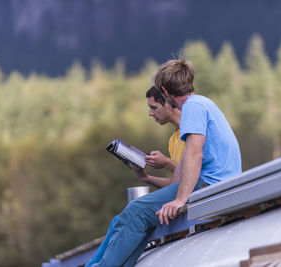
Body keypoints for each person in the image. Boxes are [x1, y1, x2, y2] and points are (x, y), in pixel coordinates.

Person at [89, 59, 242, 266]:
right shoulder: (202, 103)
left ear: (164, 90)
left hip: (210, 184)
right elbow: (180, 177)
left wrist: (180, 200)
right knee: (140, 217)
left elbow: (194, 154)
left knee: (135, 213)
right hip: (210, 181)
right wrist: (147, 178)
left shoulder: (193, 108)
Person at [86, 86, 185, 266]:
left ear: (169, 105)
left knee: (135, 212)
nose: (150, 113)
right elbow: (176, 184)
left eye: (153, 107)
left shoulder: (191, 132)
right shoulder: (174, 140)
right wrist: (147, 178)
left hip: (194, 191)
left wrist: (166, 163)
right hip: (181, 192)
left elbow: (193, 175)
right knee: (119, 220)